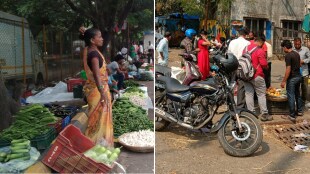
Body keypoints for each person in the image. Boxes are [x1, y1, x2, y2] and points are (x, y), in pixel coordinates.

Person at [80, 28, 113, 147]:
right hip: (98, 91)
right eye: (99, 36)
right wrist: (102, 92)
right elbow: (97, 75)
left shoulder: (93, 50)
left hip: (98, 90)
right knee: (97, 119)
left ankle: (100, 144)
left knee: (100, 119)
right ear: (92, 40)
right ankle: (92, 145)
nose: (102, 38)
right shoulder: (93, 55)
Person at [243, 37, 272, 121]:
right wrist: (266, 67)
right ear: (261, 42)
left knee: (248, 94)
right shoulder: (259, 50)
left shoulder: (245, 48)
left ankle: (251, 114)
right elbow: (263, 64)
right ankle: (264, 114)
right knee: (261, 94)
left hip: (246, 75)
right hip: (257, 75)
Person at [281, 40, 303, 122]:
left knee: (291, 95)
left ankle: (292, 115)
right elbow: (300, 64)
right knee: (297, 94)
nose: (283, 49)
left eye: (283, 48)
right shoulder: (296, 54)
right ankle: (300, 111)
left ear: (285, 47)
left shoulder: (288, 56)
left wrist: (284, 81)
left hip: (292, 78)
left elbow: (288, 69)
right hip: (298, 77)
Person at [228, 28, 250, 109]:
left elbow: (228, 53)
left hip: (232, 65)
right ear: (245, 35)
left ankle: (230, 104)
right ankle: (240, 105)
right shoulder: (247, 43)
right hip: (242, 66)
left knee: (231, 84)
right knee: (241, 86)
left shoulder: (232, 42)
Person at [293, 37, 310, 103]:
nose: (297, 46)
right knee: (296, 87)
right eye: (296, 44)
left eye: (298, 44)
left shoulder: (306, 49)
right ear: (294, 43)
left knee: (304, 87)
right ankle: (296, 100)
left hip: (304, 72)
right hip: (295, 73)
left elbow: (309, 58)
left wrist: (303, 61)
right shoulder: (292, 50)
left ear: (301, 43)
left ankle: (304, 100)